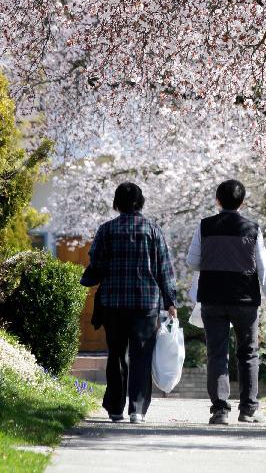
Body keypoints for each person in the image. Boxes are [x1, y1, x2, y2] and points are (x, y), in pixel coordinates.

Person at [186, 179, 266, 425]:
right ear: (242, 202)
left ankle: (220, 410)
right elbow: (263, 271)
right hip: (245, 299)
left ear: (217, 201)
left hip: (213, 297)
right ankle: (248, 410)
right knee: (249, 353)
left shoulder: (205, 226)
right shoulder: (252, 228)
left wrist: (214, 262)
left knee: (217, 354)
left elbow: (192, 262)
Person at [86, 182, 178, 424]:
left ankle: (115, 407)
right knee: (141, 355)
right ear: (141, 202)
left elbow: (96, 263)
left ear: (117, 203)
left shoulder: (106, 230)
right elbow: (164, 270)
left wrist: (88, 278)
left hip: (113, 303)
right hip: (145, 304)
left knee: (116, 354)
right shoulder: (153, 230)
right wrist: (170, 301)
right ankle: (137, 409)